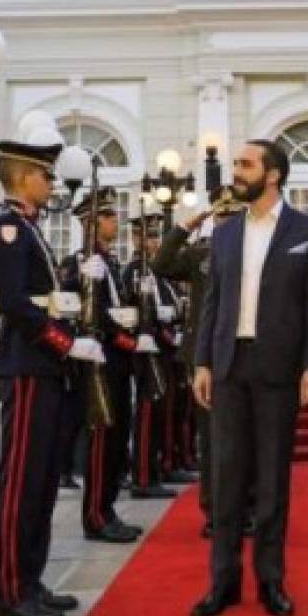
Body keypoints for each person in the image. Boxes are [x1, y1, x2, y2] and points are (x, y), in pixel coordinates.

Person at [190, 141, 308, 616]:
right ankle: (222, 583)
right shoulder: (225, 233)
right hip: (229, 367)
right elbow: (212, 302)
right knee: (226, 479)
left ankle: (271, 581)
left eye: (245, 165)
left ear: (272, 175)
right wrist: (202, 362)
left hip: (278, 371)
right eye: (236, 165)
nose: (236, 172)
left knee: (272, 481)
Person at [0, 140, 98, 616]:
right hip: (28, 367)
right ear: (25, 176)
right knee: (21, 485)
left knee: (44, 483)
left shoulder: (31, 230)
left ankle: (30, 580)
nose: (52, 184)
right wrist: (63, 343)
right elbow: (14, 302)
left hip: (46, 370)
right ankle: (10, 590)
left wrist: (74, 287)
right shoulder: (8, 228)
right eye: (46, 176)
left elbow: (46, 297)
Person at [152, 185, 250, 539]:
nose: (227, 221)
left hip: (244, 353)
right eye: (221, 215)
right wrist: (183, 228)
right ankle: (214, 511)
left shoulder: (255, 253)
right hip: (205, 356)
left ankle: (247, 509)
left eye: (233, 215)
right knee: (210, 439)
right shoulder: (200, 254)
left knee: (245, 437)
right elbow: (160, 263)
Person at [60, 187, 156, 544]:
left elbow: (115, 307)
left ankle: (108, 507)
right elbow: (77, 307)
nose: (115, 221)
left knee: (117, 440)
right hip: (97, 361)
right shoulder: (79, 261)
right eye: (108, 215)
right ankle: (95, 515)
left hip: (117, 362)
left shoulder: (111, 262)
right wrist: (80, 278)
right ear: (90, 222)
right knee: (102, 440)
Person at [122, 214, 179, 499]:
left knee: (158, 413)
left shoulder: (156, 272)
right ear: (136, 239)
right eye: (148, 237)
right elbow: (136, 308)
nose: (154, 242)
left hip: (162, 347)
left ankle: (154, 471)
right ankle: (143, 478)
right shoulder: (135, 270)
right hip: (146, 349)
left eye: (156, 237)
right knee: (146, 414)